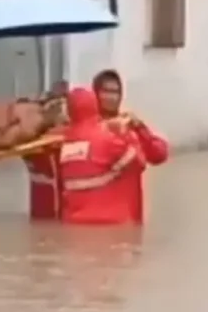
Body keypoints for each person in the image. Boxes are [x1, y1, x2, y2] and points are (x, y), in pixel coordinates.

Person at [58, 87, 150, 225]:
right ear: (95, 105)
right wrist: (127, 134)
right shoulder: (107, 138)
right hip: (109, 224)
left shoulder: (65, 141)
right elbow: (139, 162)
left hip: (74, 223)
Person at [91, 70, 169, 221]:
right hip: (100, 216)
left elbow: (159, 154)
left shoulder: (130, 127)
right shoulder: (86, 129)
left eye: (116, 92)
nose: (112, 97)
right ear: (95, 94)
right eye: (106, 91)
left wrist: (140, 127)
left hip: (129, 215)